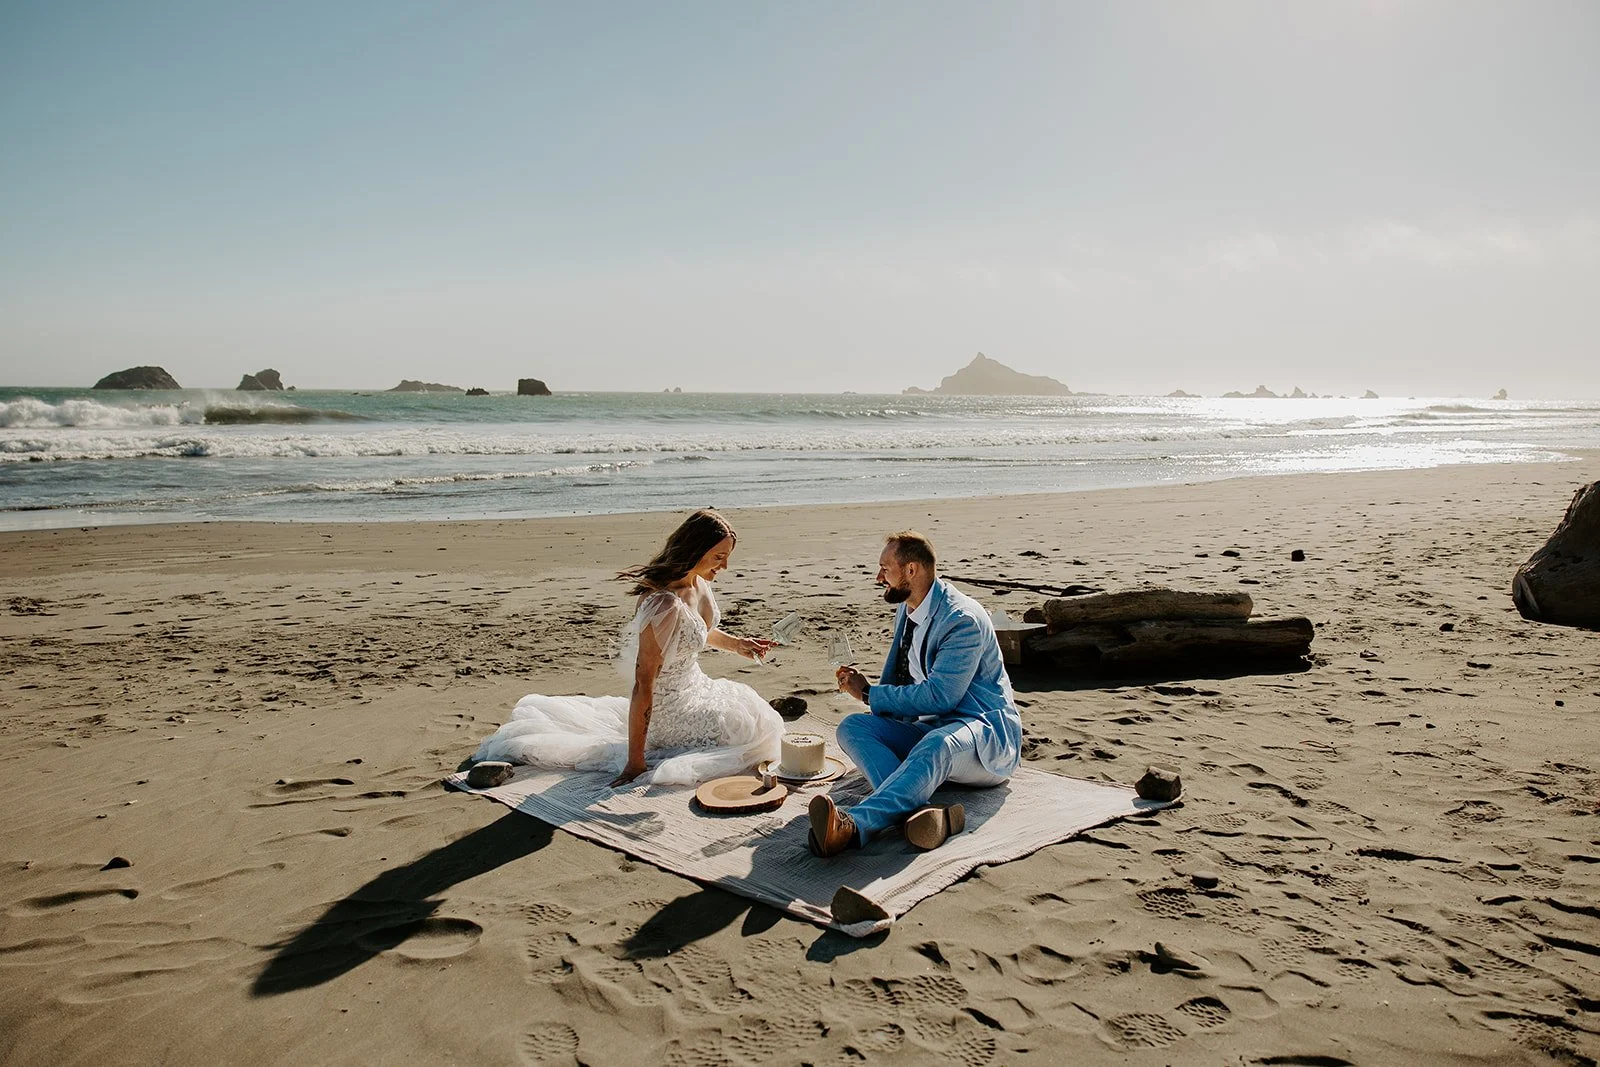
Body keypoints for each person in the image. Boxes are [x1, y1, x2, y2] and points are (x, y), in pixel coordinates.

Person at [471, 508, 783, 787]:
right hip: (668, 710)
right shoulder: (663, 606)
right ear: (696, 550)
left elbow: (700, 632)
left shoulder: (699, 580)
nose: (725, 565)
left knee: (754, 715)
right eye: (719, 557)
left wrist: (739, 645)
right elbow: (643, 683)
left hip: (697, 687)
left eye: (727, 557)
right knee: (747, 730)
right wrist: (635, 760)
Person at [811, 531, 1022, 857]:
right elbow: (900, 676)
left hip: (982, 736)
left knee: (937, 743)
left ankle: (853, 826)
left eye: (885, 568)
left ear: (911, 571)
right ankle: (921, 814)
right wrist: (874, 703)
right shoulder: (908, 608)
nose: (878, 577)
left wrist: (869, 693)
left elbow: (942, 697)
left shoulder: (960, 620)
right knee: (853, 727)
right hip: (933, 728)